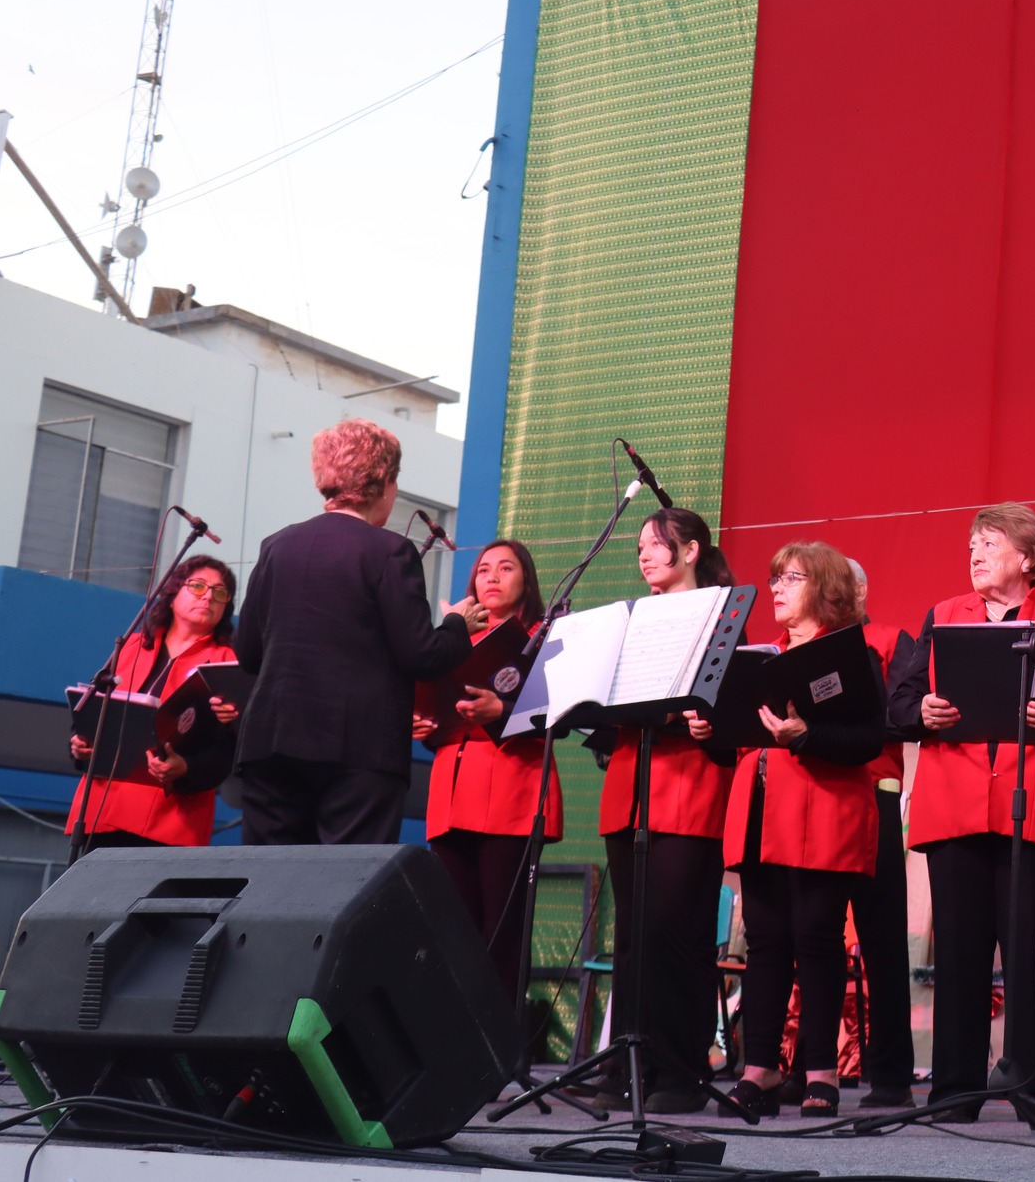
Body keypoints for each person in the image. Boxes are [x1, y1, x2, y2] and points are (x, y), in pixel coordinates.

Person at [887, 503, 1035, 1121]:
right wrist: (921, 709)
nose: (973, 553)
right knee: (958, 955)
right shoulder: (943, 616)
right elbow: (896, 701)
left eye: (989, 542)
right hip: (954, 804)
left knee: (1033, 952)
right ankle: (954, 1093)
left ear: (1027, 559)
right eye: (971, 543)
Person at [235, 419, 484, 845]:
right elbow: (422, 655)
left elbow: (249, 653)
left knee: (266, 889)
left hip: (270, 743)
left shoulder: (277, 545)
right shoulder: (389, 551)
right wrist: (458, 624)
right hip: (356, 750)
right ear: (385, 480)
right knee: (342, 892)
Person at [706, 543, 885, 1120]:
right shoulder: (762, 658)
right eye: (775, 578)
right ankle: (758, 1067)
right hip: (761, 809)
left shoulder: (851, 657)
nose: (777, 588)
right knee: (764, 941)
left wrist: (805, 735)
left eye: (792, 578)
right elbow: (734, 743)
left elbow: (868, 741)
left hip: (824, 810)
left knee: (815, 936)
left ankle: (820, 1072)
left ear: (825, 589)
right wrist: (708, 728)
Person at [591, 507, 739, 1115]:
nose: (645, 555)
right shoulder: (630, 618)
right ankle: (628, 1062)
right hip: (630, 782)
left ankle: (680, 1066)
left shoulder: (722, 613)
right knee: (631, 935)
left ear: (691, 550)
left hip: (690, 786)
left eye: (656, 544)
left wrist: (694, 717)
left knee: (678, 934)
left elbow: (730, 708)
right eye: (640, 547)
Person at [414, 539, 559, 1004]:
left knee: (503, 928)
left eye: (506, 568)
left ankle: (504, 1054)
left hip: (512, 793)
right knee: (455, 928)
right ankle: (461, 1051)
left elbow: (564, 717)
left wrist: (503, 708)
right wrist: (423, 722)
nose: (492, 577)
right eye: (483, 570)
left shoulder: (544, 636)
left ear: (526, 580)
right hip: (451, 792)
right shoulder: (452, 641)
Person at [67, 555, 242, 847]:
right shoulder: (131, 645)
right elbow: (90, 713)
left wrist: (186, 768)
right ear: (172, 595)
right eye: (198, 586)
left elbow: (228, 751)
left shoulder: (229, 662)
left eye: (220, 592)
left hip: (171, 822)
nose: (209, 596)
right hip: (101, 811)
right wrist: (80, 746)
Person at [845, 558, 917, 1109]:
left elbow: (900, 713)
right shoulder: (789, 642)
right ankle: (806, 1070)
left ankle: (892, 1074)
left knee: (883, 941)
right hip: (807, 801)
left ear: (861, 590)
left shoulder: (892, 638)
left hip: (874, 794)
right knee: (811, 941)